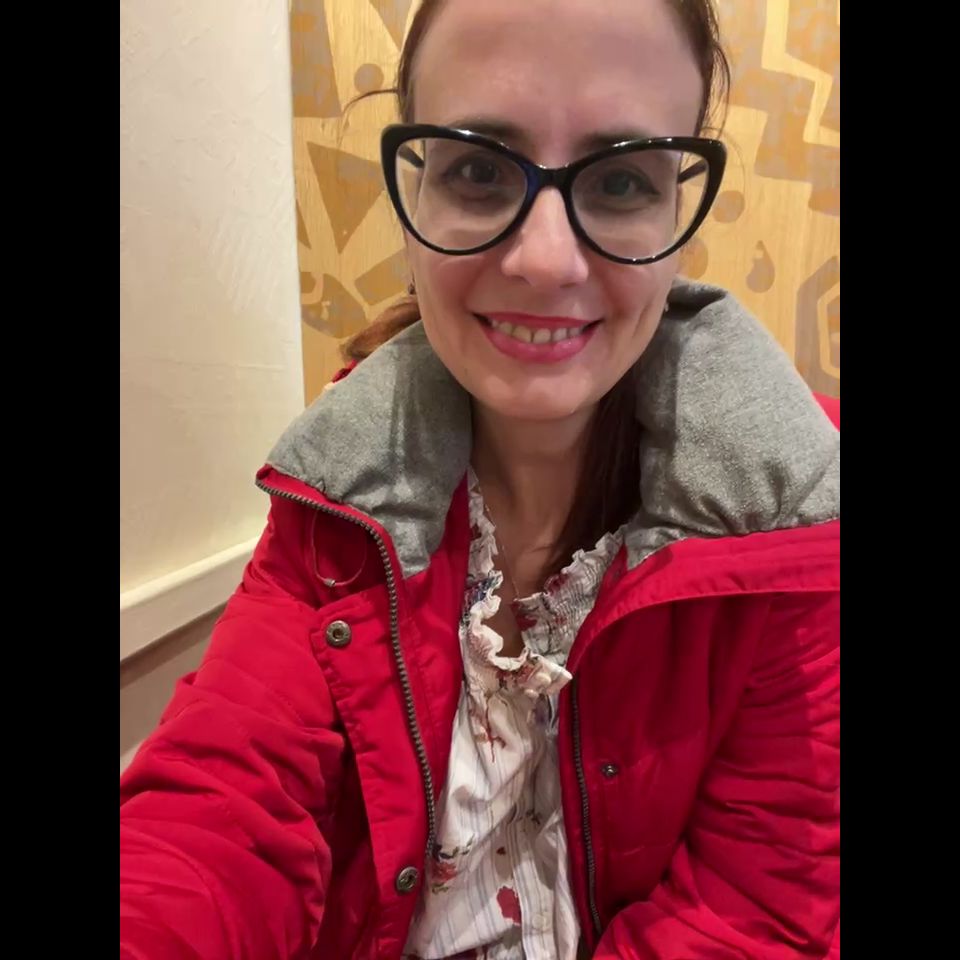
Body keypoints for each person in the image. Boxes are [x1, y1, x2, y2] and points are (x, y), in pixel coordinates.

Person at [119, 0, 840, 957]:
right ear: (415, 200)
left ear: (677, 217)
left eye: (622, 180)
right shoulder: (341, 496)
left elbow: (757, 908)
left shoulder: (788, 527)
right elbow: (219, 815)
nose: (544, 260)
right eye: (479, 170)